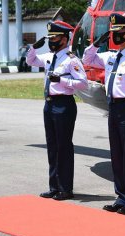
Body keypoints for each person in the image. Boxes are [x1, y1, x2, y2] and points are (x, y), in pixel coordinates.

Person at [82, 13, 125, 215]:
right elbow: (87, 59)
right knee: (118, 156)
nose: (115, 37)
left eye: (119, 33)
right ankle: (121, 196)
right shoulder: (112, 56)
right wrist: (96, 44)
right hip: (113, 108)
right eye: (113, 33)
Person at [26, 21, 88, 201]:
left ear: (64, 38)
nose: (51, 41)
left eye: (54, 37)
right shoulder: (48, 57)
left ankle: (66, 188)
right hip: (49, 104)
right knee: (52, 147)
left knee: (63, 147)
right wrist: (33, 48)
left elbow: (83, 83)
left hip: (64, 105)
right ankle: (54, 186)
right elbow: (31, 61)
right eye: (50, 38)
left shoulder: (71, 60)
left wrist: (61, 81)